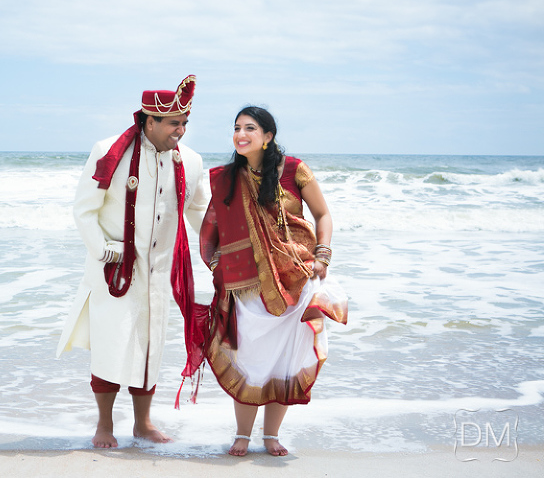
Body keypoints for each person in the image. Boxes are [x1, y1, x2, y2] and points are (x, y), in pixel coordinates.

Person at [56, 75, 209, 448]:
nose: (181, 130)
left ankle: (142, 423)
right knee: (111, 345)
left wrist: (223, 254)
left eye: (185, 123)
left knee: (150, 347)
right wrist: (103, 248)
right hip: (115, 272)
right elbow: (83, 209)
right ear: (149, 119)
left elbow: (201, 212)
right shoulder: (109, 150)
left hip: (160, 274)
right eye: (174, 123)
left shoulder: (190, 160)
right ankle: (104, 425)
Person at [199, 106, 348, 457]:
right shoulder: (227, 179)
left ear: (267, 136)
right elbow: (211, 232)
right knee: (250, 356)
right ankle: (242, 434)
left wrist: (324, 254)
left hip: (297, 280)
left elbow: (323, 214)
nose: (240, 134)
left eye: (249, 128)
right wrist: (220, 268)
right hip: (248, 286)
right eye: (236, 128)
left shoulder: (295, 170)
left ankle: (270, 436)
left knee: (284, 359)